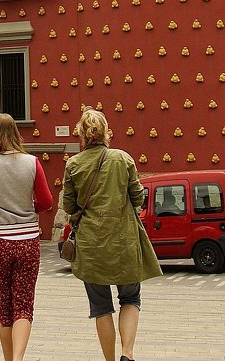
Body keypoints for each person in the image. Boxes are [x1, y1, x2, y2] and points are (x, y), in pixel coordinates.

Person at [61, 108, 161, 361]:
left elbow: (70, 206)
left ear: (82, 135)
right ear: (106, 131)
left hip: (91, 247)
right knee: (131, 298)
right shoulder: (122, 159)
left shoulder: (73, 165)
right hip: (124, 242)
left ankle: (109, 359)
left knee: (101, 307)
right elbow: (138, 196)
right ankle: (127, 353)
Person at [0, 113, 53, 361]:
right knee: (23, 306)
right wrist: (27, 204)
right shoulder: (32, 162)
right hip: (27, 241)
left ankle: (9, 359)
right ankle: (19, 358)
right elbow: (46, 201)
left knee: (4, 307)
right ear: (16, 132)